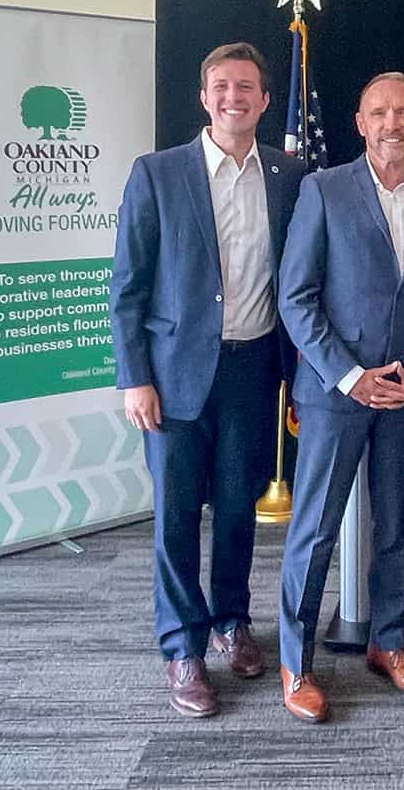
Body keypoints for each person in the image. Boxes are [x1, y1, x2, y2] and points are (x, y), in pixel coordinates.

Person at [109, 42, 305, 718]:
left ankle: (231, 622)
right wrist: (135, 377)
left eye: (246, 87)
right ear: (204, 96)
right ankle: (182, 648)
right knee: (175, 517)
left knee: (239, 509)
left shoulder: (289, 175)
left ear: (265, 98)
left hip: (254, 370)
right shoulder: (158, 174)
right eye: (221, 86)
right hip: (172, 378)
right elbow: (127, 289)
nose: (233, 98)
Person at [275, 71, 404, 723]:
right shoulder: (322, 190)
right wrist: (351, 376)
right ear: (359, 122)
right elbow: (295, 298)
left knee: (394, 523)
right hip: (335, 394)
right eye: (378, 112)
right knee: (316, 530)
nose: (391, 124)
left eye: (403, 113)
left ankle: (389, 641)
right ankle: (296, 663)